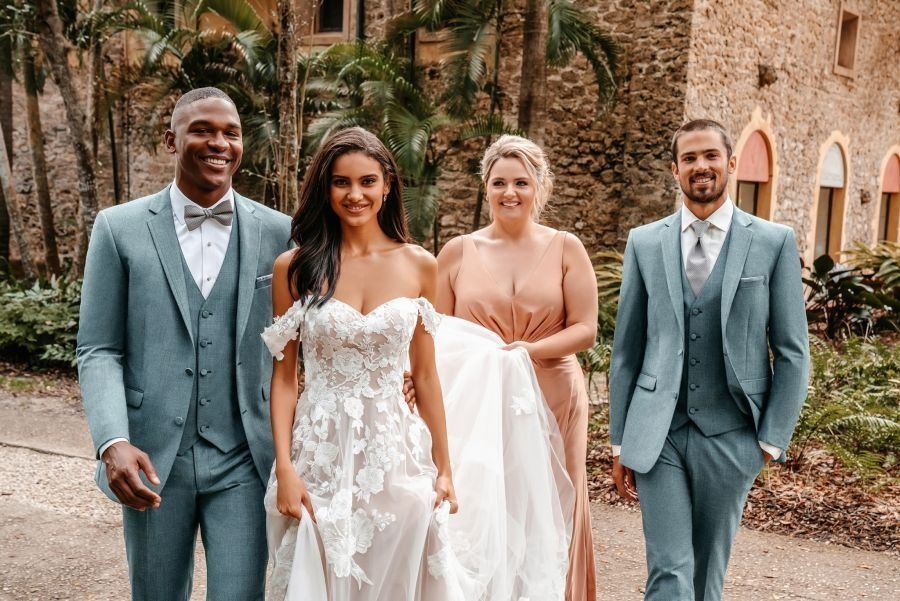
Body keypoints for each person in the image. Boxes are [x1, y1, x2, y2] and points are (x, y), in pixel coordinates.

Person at [76, 87, 292, 599]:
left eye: (231, 133)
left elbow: (304, 341)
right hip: (151, 458)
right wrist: (112, 441)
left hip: (245, 458)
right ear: (170, 139)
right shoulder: (118, 228)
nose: (219, 142)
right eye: (202, 130)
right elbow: (99, 349)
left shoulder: (279, 231)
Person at [609, 118, 810, 601]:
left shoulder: (773, 242)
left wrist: (769, 442)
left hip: (733, 435)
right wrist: (619, 441)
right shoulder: (644, 242)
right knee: (669, 571)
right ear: (674, 170)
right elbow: (627, 350)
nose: (701, 166)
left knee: (706, 580)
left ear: (731, 163)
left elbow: (793, 351)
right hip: (657, 434)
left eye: (710, 156)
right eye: (689, 158)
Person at [263, 127, 461, 601]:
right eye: (341, 182)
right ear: (325, 188)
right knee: (320, 565)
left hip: (396, 450)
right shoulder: (295, 267)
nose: (355, 195)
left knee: (401, 561)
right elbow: (285, 379)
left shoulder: (420, 264)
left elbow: (426, 374)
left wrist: (445, 468)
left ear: (387, 184)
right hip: (320, 451)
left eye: (367, 181)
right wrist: (285, 465)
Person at [436, 134, 599, 601]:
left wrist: (527, 351)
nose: (510, 192)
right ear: (485, 186)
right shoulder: (456, 252)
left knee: (552, 507)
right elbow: (437, 333)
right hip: (478, 399)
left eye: (521, 183)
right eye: (499, 182)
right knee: (482, 504)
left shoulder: (566, 248)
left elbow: (585, 328)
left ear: (539, 187)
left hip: (553, 392)